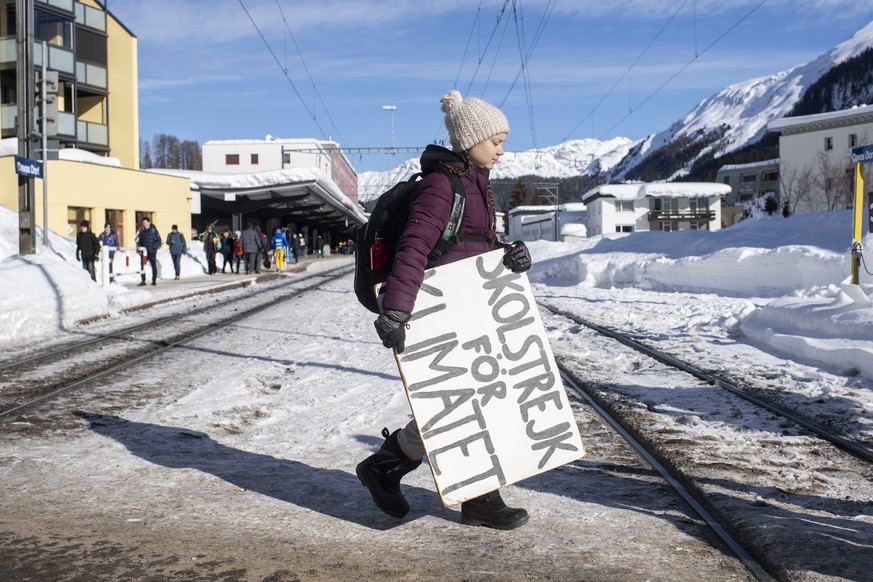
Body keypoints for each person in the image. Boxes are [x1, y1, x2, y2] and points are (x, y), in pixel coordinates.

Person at [356, 89, 533, 530]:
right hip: (439, 313)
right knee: (462, 404)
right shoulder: (442, 186)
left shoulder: (477, 185)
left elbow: (474, 246)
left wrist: (508, 256)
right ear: (471, 138)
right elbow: (415, 248)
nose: (501, 149)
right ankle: (473, 495)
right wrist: (395, 311)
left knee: (468, 402)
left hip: (472, 309)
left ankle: (389, 467)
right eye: (496, 139)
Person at [135, 216, 161, 286]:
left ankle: (154, 280)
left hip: (152, 251)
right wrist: (139, 248)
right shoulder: (142, 231)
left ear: (149, 222)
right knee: (142, 266)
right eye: (143, 223)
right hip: (144, 252)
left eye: (146, 222)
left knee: (153, 265)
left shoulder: (153, 230)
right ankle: (143, 281)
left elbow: (159, 240)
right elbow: (139, 241)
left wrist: (154, 247)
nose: (145, 224)